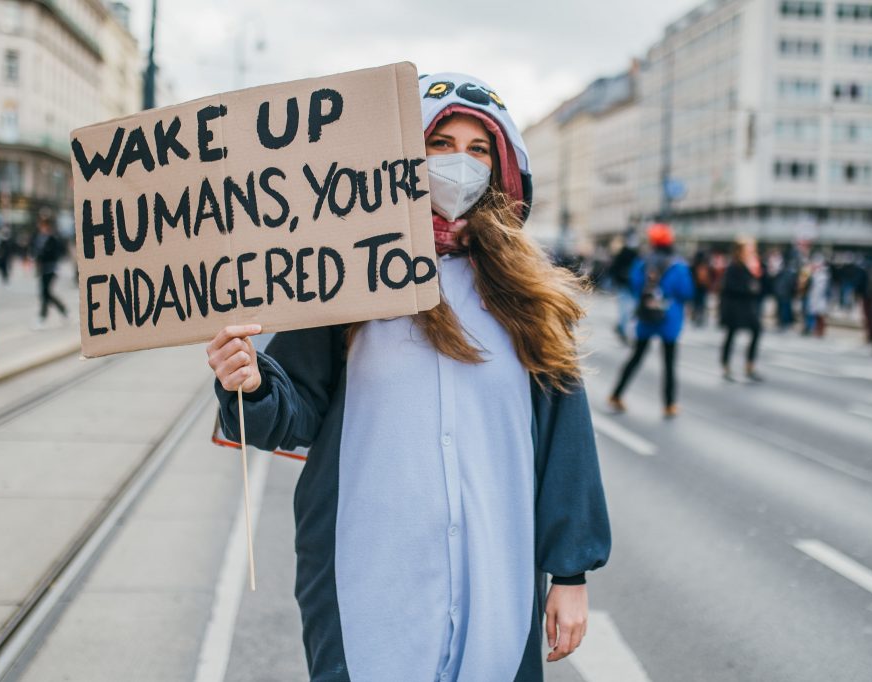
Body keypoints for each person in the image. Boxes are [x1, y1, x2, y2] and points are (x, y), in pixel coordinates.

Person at [207, 72, 611, 681]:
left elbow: (566, 445)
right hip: (363, 564)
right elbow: (291, 409)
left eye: (478, 150)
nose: (458, 165)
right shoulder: (344, 273)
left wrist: (570, 575)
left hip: (495, 571)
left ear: (502, 168)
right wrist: (250, 382)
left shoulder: (530, 298)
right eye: (441, 144)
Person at [607, 222, 694, 418]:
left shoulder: (643, 263)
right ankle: (669, 404)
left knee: (636, 356)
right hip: (670, 317)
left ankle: (616, 394)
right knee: (669, 362)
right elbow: (686, 291)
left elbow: (635, 284)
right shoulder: (678, 265)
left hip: (646, 316)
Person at [719, 237, 764, 381]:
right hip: (734, 307)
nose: (752, 251)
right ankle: (726, 365)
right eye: (749, 248)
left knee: (756, 330)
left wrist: (758, 272)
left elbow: (762, 284)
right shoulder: (733, 267)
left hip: (747, 307)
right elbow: (730, 287)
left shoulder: (751, 266)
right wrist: (749, 288)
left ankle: (749, 365)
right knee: (731, 335)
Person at [31, 216, 67, 328]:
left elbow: (59, 251)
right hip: (42, 269)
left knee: (45, 293)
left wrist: (44, 254)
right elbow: (33, 249)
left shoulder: (53, 238)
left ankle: (42, 317)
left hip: (51, 268)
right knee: (46, 293)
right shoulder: (38, 237)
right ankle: (63, 311)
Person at [610, 229, 639, 343]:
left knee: (628, 309)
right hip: (624, 286)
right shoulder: (624, 253)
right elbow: (614, 269)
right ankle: (622, 329)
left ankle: (623, 328)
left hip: (631, 286)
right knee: (626, 309)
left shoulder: (635, 253)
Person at [802, 251, 830, 337]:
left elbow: (823, 288)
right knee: (810, 312)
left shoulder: (823, 274)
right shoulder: (810, 271)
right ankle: (810, 328)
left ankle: (817, 330)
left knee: (819, 314)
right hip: (811, 296)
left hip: (819, 297)